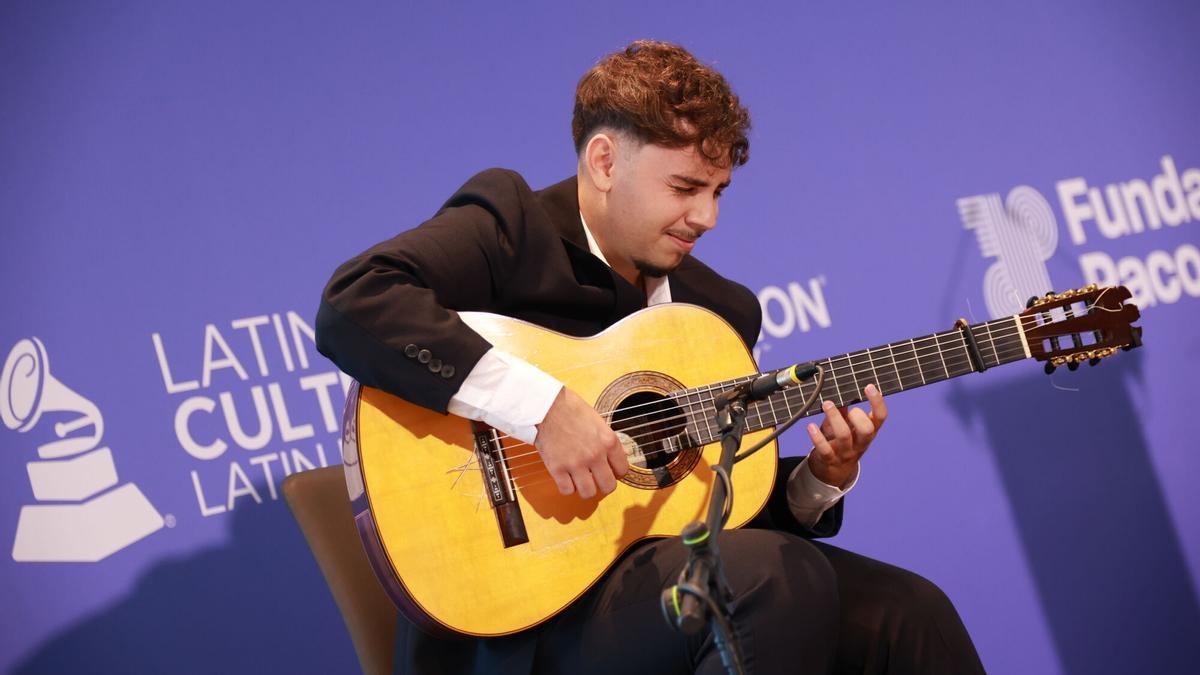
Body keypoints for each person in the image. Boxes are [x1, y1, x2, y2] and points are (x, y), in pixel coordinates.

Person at [316, 40, 985, 675]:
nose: (708, 217)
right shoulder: (514, 226)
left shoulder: (718, 312)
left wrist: (818, 478)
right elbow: (357, 300)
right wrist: (542, 410)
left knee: (910, 611)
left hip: (658, 581)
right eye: (686, 186)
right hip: (519, 621)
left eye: (718, 191)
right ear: (605, 162)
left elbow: (715, 511)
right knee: (774, 578)